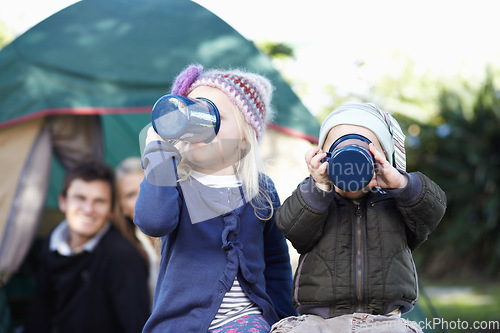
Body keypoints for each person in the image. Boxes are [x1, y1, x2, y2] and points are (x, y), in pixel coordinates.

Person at [134, 64, 297, 333]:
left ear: (245, 137)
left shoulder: (260, 189)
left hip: (247, 321)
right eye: (192, 113)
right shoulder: (175, 182)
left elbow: (276, 261)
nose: (198, 124)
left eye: (213, 115)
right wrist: (158, 152)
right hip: (181, 324)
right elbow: (153, 221)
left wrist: (283, 318)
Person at [271, 103, 447, 333]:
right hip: (320, 320)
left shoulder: (396, 201)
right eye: (339, 148)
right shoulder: (316, 197)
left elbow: (432, 211)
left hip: (384, 320)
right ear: (324, 156)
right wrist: (319, 187)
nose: (351, 159)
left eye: (365, 150)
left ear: (382, 157)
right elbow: (291, 227)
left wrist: (401, 183)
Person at [24, 162, 150, 333]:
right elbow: (40, 309)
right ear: (63, 202)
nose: (88, 209)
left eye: (99, 201)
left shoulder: (122, 256)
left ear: (111, 211)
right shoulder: (53, 242)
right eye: (80, 198)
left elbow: (136, 325)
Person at [114, 156, 160, 307]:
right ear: (121, 207)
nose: (141, 198)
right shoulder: (121, 252)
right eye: (130, 195)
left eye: (145, 187)